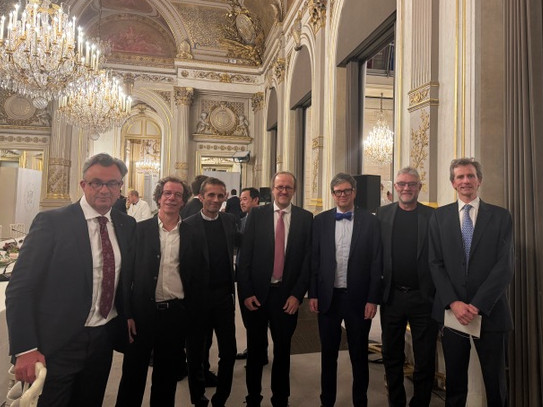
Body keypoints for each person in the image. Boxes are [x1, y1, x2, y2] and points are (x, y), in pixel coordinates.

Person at [5, 153, 136, 407]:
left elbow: (123, 278)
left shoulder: (126, 224)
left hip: (102, 339)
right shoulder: (52, 222)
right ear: (83, 185)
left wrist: (128, 313)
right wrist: (25, 349)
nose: (104, 189)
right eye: (96, 182)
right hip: (56, 343)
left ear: (121, 187)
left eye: (112, 183)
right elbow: (20, 289)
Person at [429, 158, 514, 406]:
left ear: (479, 180)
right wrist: (454, 302)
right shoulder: (439, 217)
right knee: (454, 384)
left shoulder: (500, 217)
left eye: (470, 176)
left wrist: (476, 305)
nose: (465, 181)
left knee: (496, 382)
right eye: (460, 177)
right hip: (452, 314)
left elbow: (504, 266)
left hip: (490, 312)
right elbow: (435, 263)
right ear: (453, 183)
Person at [115, 176, 206, 407]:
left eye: (177, 194)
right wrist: (127, 314)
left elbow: (198, 278)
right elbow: (126, 275)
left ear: (184, 200)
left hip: (174, 315)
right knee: (133, 376)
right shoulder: (140, 230)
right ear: (158, 197)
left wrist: (190, 316)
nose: (172, 198)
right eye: (167, 193)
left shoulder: (193, 234)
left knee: (166, 378)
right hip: (142, 314)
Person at [238, 171, 313, 407]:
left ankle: (281, 398)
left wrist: (296, 295)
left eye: (288, 187)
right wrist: (246, 293)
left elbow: (306, 263)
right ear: (272, 189)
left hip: (286, 296)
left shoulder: (305, 218)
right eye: (279, 187)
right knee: (256, 351)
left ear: (294, 190)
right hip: (257, 296)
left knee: (283, 351)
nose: (283, 191)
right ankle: (253, 398)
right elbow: (244, 258)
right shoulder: (257, 215)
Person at [309, 173, 382, 407]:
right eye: (338, 191)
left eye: (346, 191)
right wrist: (314, 294)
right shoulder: (320, 221)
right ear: (333, 194)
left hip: (359, 299)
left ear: (354, 192)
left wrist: (373, 298)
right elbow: (315, 261)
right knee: (328, 355)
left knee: (359, 355)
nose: (342, 195)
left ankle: (360, 401)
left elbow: (376, 262)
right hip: (329, 298)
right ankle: (326, 401)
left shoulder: (370, 221)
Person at [376, 167, 437, 407]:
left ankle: (420, 403)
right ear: (395, 187)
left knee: (424, 358)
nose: (406, 188)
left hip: (423, 298)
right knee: (391, 355)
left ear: (419, 187)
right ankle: (397, 402)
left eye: (411, 184)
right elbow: (376, 255)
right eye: (401, 184)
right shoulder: (382, 214)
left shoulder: (433, 217)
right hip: (391, 296)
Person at [184, 177, 239, 407]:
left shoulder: (229, 222)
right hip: (197, 300)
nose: (215, 200)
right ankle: (198, 399)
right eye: (211, 195)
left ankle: (221, 398)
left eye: (220, 195)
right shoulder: (187, 225)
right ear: (201, 197)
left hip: (224, 299)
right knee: (196, 354)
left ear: (225, 196)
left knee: (229, 352)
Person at [236, 187, 260, 360]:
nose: (242, 202)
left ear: (255, 200)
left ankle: (257, 353)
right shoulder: (243, 219)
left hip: (255, 275)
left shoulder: (262, 220)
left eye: (245, 199)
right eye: (241, 199)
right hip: (243, 274)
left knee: (255, 317)